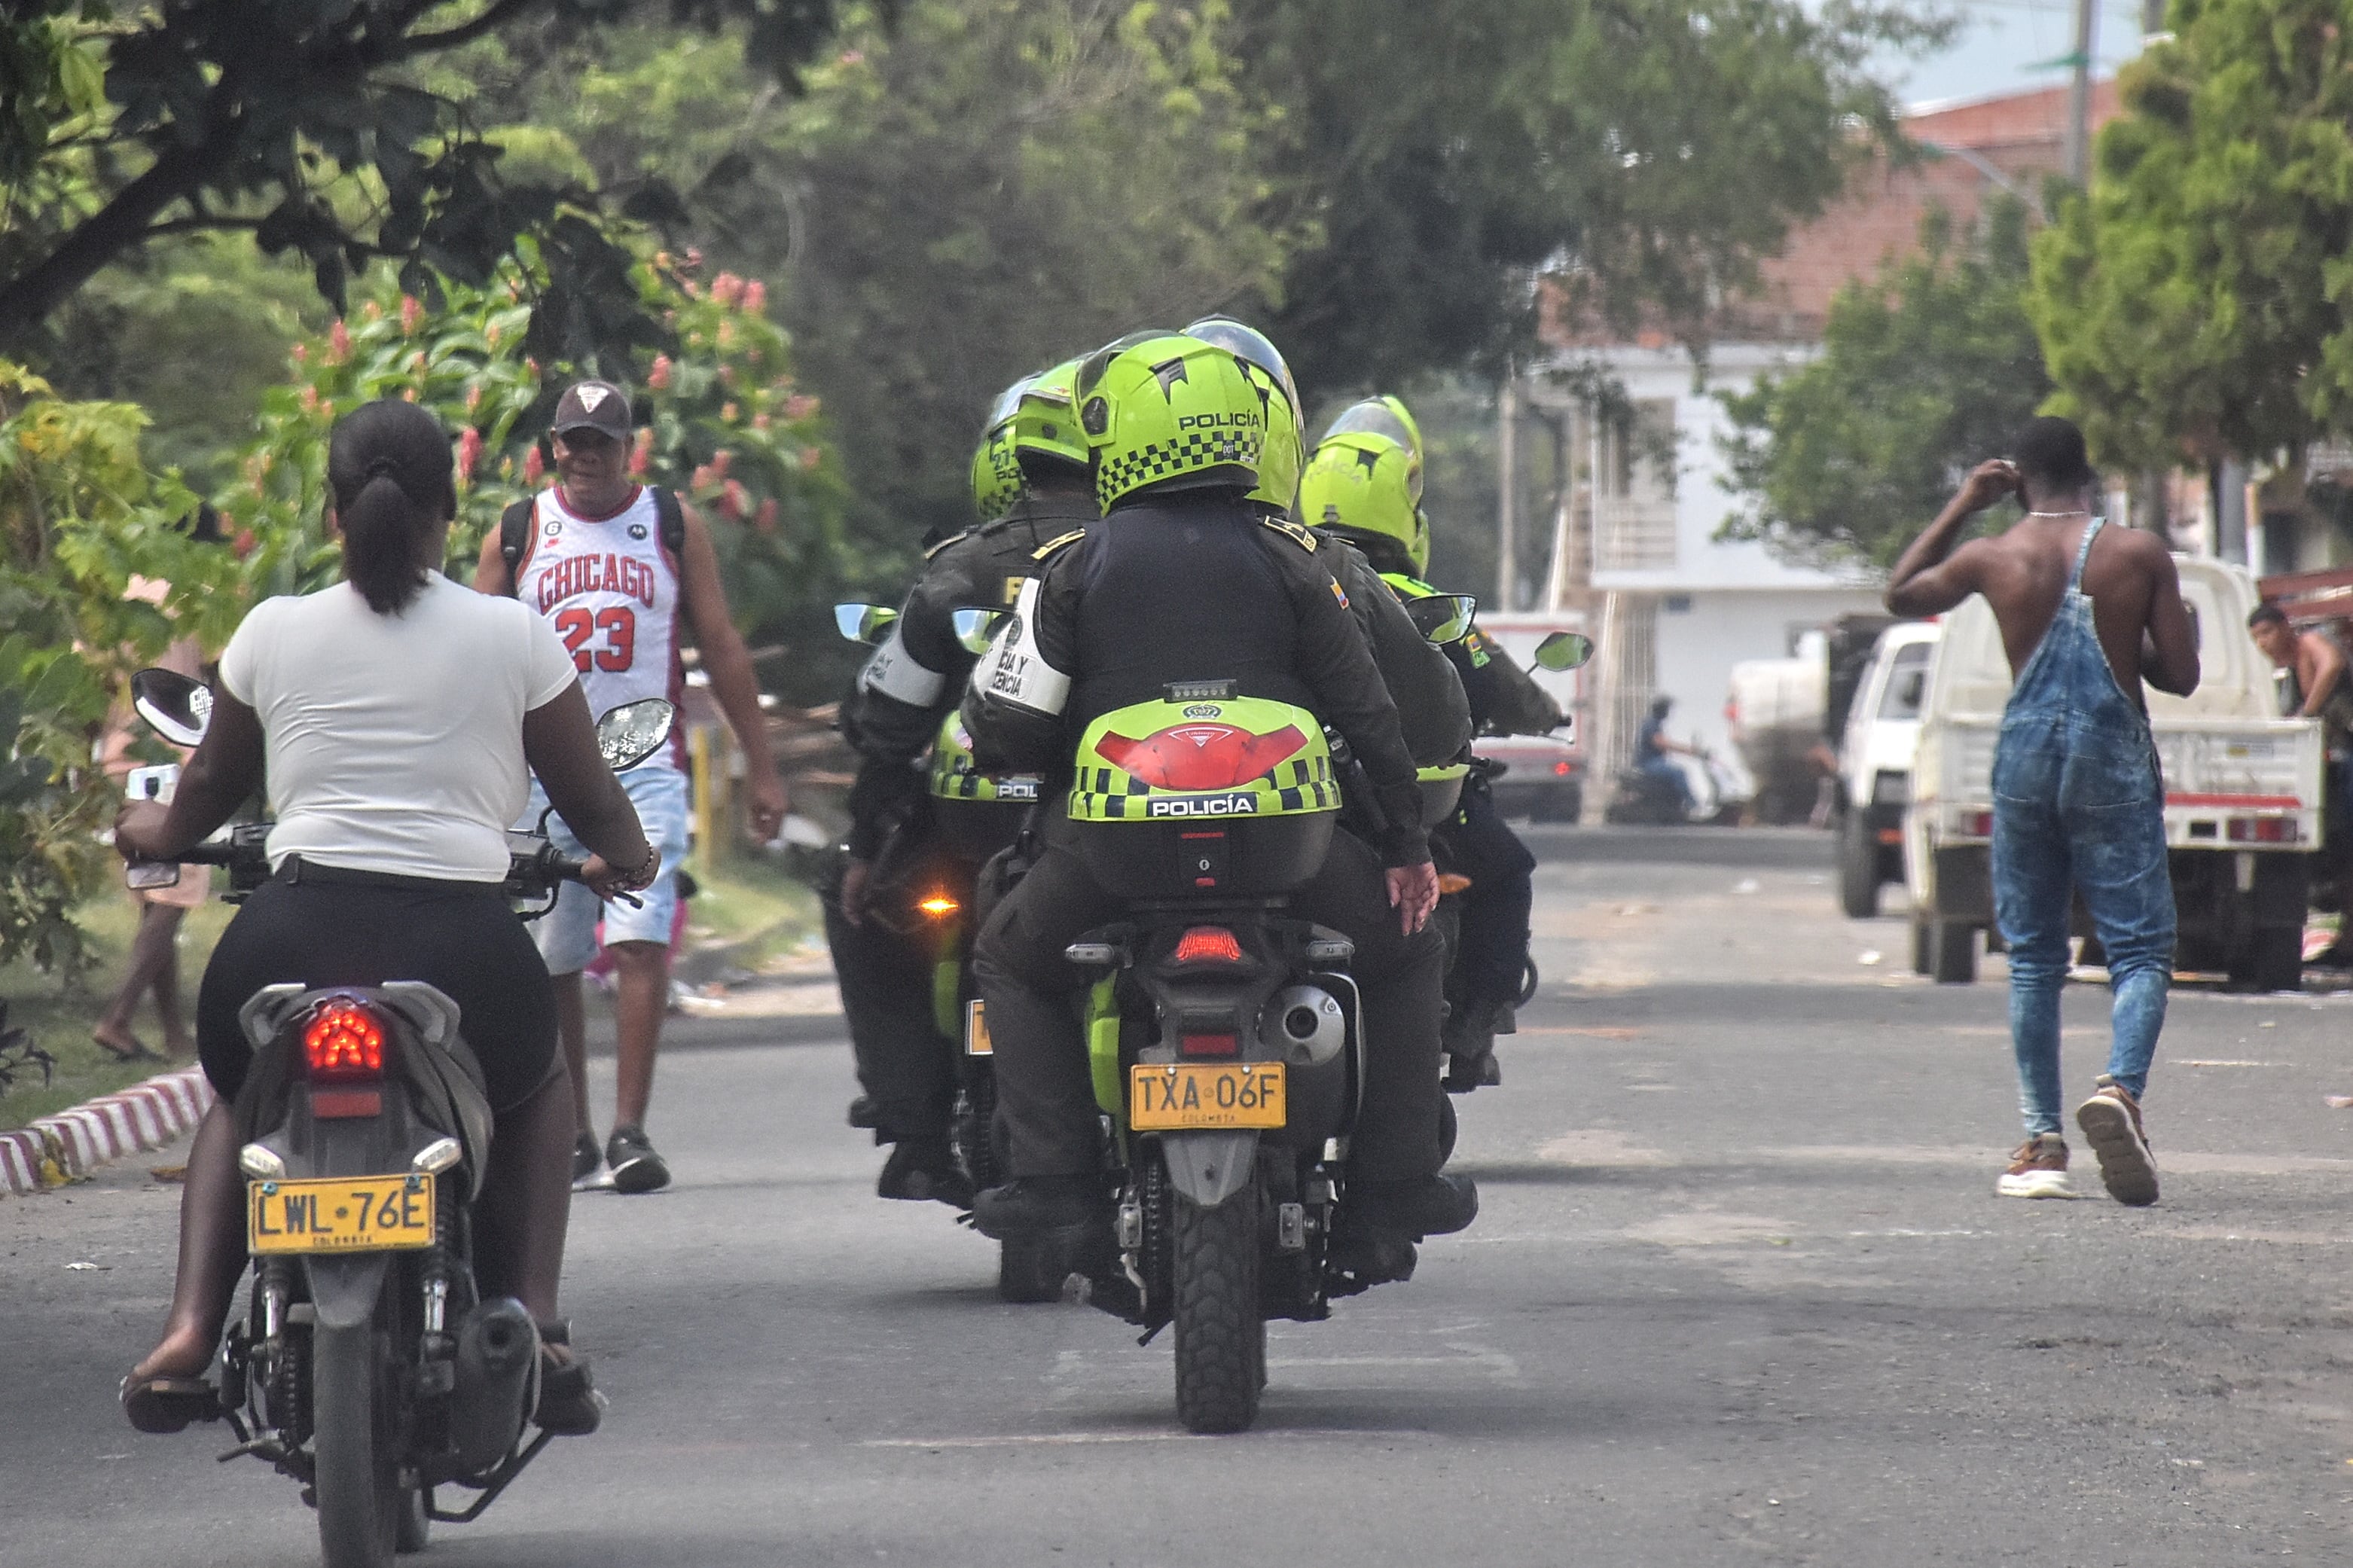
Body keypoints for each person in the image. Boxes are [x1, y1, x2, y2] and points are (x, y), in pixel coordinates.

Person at [114, 398, 655, 1435]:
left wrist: (152, 828)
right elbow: (590, 802)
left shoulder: (271, 630)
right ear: (450, 508)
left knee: (240, 1088)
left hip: (289, 932)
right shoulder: (513, 633)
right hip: (462, 946)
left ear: (332, 510)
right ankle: (535, 1320)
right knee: (539, 1087)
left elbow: (204, 800)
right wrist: (624, 859)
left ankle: (188, 1329)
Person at [959, 330, 1473, 1257]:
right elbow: (1369, 710)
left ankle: (1058, 1187)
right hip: (1288, 852)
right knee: (1404, 951)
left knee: (1007, 958)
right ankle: (1393, 1190)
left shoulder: (1077, 563)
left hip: (1113, 858)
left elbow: (1006, 716)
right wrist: (1407, 847)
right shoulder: (1294, 555)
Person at [474, 380, 788, 1193]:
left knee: (640, 937)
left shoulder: (671, 527)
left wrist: (763, 764)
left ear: (628, 449)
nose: (584, 455)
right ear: (552, 446)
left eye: (600, 442)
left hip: (642, 762)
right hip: (539, 772)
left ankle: (628, 1131)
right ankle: (571, 1129)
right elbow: (472, 657)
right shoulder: (517, 532)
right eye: (570, 440)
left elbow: (719, 644)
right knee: (555, 956)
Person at [1885, 416, 2198, 1206]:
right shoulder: (2135, 553)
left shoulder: (1994, 555)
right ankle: (2118, 1093)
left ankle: (2041, 1143)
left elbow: (1898, 595)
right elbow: (2180, 677)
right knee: (2138, 951)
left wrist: (1963, 503)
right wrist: (2142, 635)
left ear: (2017, 479)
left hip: (2023, 757)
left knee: (2032, 957)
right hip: (2109, 758)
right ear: (2088, 474)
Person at [829, 360, 1097, 1205]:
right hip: (1091, 827)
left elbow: (884, 722)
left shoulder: (956, 572)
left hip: (958, 838)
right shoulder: (1127, 555)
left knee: (866, 918)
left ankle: (912, 1127)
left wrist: (867, 846)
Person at [1301, 396, 1563, 1090]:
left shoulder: (1294, 583)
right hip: (1421, 803)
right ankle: (1476, 1022)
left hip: (1307, 803)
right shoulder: (1429, 607)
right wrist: (1545, 711)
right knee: (1507, 871)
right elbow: (1499, 687)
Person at [2248, 602, 2353, 963]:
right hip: (2335, 767)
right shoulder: (2288, 673)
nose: (2263, 643)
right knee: (2341, 855)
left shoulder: (2310, 643)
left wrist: (2308, 714)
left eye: (2267, 632)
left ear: (2284, 627)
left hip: (2348, 756)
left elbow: (2334, 664)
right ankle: (2347, 942)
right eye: (2256, 638)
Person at [1637, 696, 1698, 816]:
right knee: (1679, 773)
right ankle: (1692, 804)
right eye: (1667, 709)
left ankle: (1678, 804)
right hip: (1649, 764)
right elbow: (1660, 742)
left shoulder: (1656, 724)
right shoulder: (1651, 724)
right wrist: (1686, 750)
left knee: (1675, 771)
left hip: (1656, 762)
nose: (1669, 713)